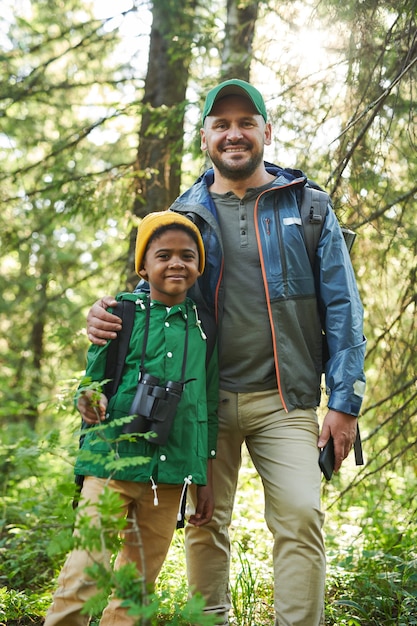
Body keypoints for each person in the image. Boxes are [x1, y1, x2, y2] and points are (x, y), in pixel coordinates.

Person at [84, 79, 366, 626]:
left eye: (245, 123)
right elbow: (156, 291)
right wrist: (106, 318)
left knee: (302, 514)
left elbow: (343, 307)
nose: (234, 134)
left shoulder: (308, 208)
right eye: (221, 125)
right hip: (199, 403)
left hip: (286, 399)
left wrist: (345, 400)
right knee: (204, 521)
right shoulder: (185, 212)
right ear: (206, 136)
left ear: (265, 131)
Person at [44, 211, 218, 626]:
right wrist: (88, 401)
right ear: (144, 267)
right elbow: (92, 380)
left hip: (171, 472)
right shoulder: (122, 312)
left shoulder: (205, 326)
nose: (176, 263)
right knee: (86, 573)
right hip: (111, 462)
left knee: (138, 588)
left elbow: (207, 407)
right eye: (164, 255)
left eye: (187, 255)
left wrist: (205, 478)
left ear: (200, 265)